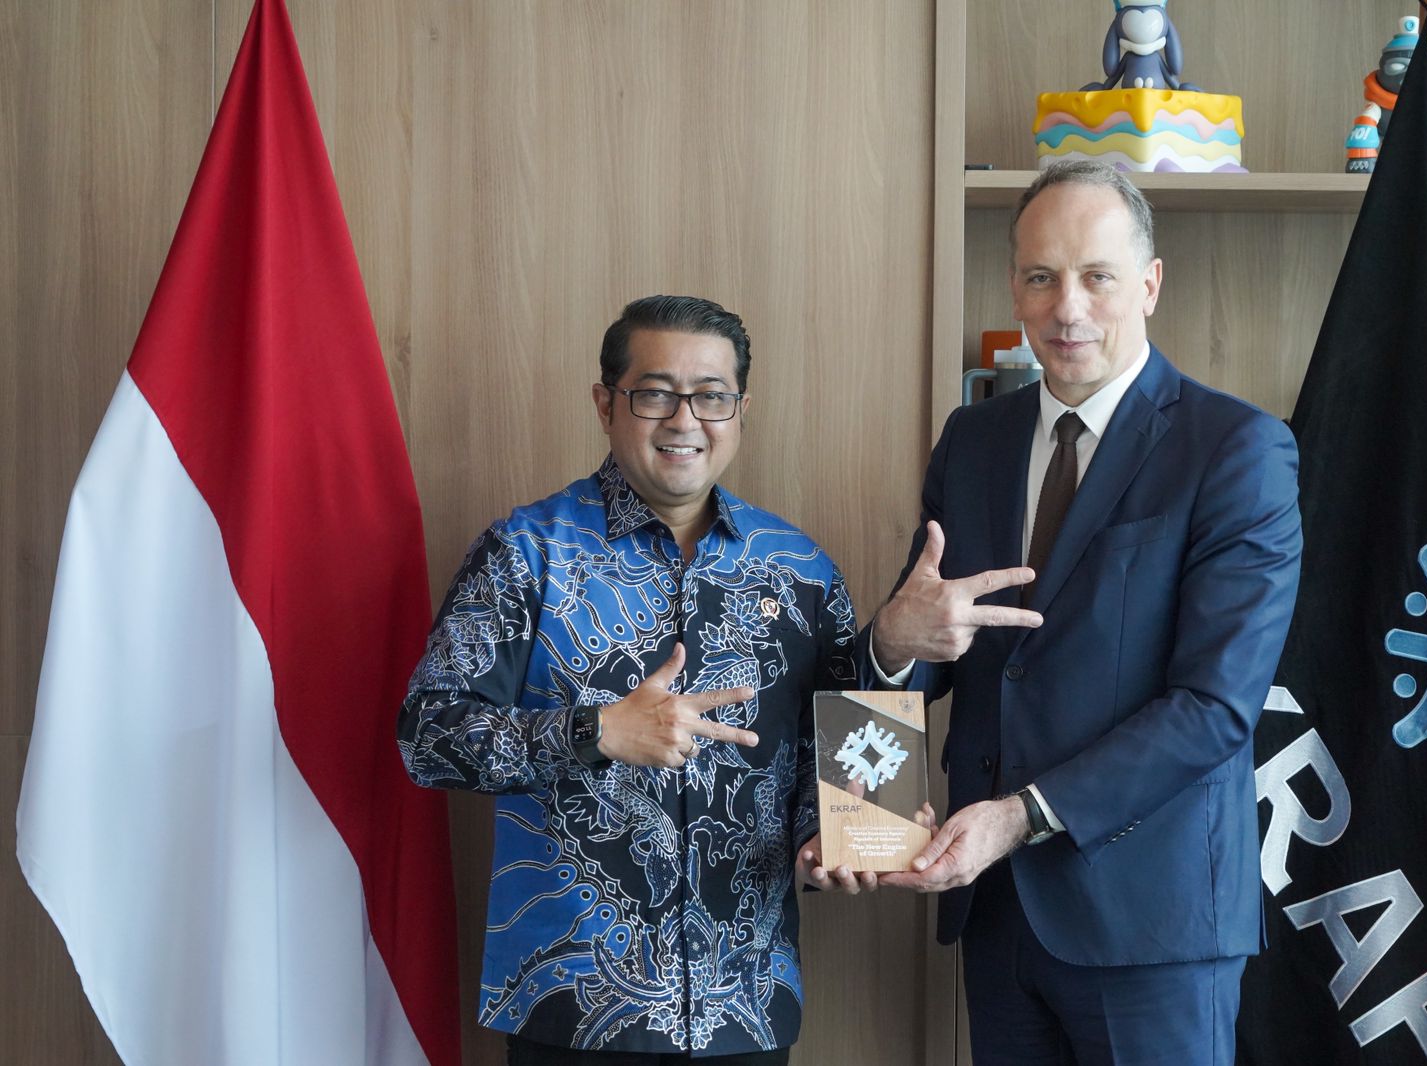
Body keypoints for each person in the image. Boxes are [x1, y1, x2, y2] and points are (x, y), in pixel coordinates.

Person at [869, 161, 1303, 1065]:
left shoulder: (1237, 450)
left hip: (1153, 920)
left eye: (1097, 276)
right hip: (995, 908)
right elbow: (936, 634)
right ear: (1014, 288)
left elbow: (1215, 708)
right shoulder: (973, 439)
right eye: (1042, 277)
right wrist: (891, 645)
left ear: (1149, 284)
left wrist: (1019, 816)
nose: (1067, 309)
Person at [399, 295, 872, 1066]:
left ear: (740, 410)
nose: (685, 420)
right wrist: (596, 732)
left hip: (746, 1004)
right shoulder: (526, 553)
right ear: (606, 404)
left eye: (711, 396)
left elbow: (841, 752)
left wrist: (832, 840)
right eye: (655, 394)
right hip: (573, 1005)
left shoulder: (803, 573)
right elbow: (426, 736)